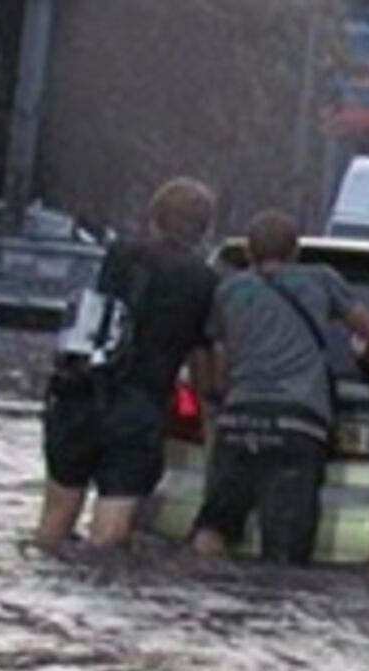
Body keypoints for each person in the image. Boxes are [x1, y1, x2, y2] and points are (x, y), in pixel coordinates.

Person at [189, 210, 369, 564]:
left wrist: (214, 398)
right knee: (285, 551)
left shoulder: (229, 290)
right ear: (296, 251)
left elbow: (217, 367)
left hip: (238, 422)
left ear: (249, 253)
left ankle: (194, 582)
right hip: (299, 426)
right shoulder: (322, 281)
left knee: (213, 527)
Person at [36, 178, 219, 550]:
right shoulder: (204, 280)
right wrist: (208, 414)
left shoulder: (121, 254)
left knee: (54, 520)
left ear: (154, 217)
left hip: (80, 394)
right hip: (139, 409)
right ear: (203, 229)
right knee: (111, 532)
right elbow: (202, 360)